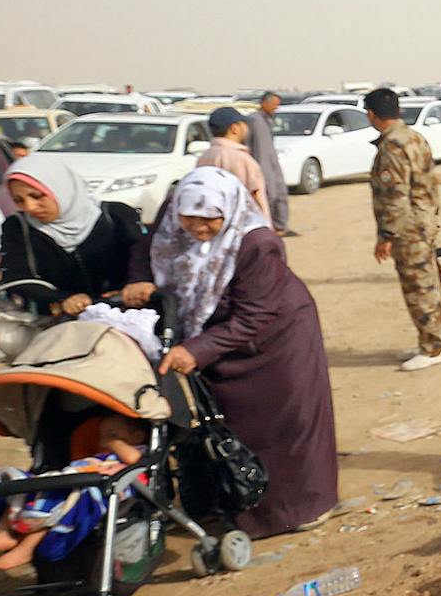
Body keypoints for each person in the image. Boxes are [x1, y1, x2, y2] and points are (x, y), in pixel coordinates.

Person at [124, 169, 339, 536]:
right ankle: (234, 506)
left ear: (229, 211)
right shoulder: (170, 215)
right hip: (212, 332)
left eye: (209, 220)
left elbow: (256, 313)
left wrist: (197, 349)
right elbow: (147, 249)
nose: (197, 228)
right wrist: (140, 278)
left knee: (286, 426)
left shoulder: (256, 243)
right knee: (226, 425)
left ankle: (301, 508)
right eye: (189, 219)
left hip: (275, 339)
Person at [0, 414, 147, 571]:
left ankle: (26, 549)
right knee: (17, 485)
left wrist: (113, 442)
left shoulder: (136, 454)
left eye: (112, 435)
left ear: (136, 436)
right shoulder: (98, 456)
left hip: (104, 491)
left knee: (63, 505)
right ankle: (5, 532)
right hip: (72, 480)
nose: (103, 440)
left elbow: (134, 460)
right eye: (102, 436)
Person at [363, 87, 441, 370]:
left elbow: (395, 196)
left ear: (372, 115)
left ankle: (433, 347)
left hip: (408, 227)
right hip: (422, 221)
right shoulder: (415, 138)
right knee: (425, 282)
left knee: (418, 286)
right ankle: (429, 340)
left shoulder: (393, 146)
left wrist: (386, 235)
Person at [0, 160, 147, 316]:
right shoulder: (17, 227)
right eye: (19, 200)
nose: (30, 207)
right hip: (59, 323)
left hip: (126, 315)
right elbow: (16, 277)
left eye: (38, 196)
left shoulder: (117, 216)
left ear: (62, 189)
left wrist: (131, 288)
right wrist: (61, 299)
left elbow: (144, 260)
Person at [195, 108, 272, 217]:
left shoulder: (204, 157)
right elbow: (256, 197)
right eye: (244, 125)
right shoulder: (243, 159)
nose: (247, 128)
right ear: (234, 128)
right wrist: (266, 228)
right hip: (242, 224)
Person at [247, 92, 294, 236]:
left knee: (280, 192)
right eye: (274, 104)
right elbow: (257, 148)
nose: (276, 108)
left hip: (272, 163)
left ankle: (280, 226)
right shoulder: (255, 121)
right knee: (269, 194)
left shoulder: (267, 120)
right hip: (262, 165)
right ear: (264, 103)